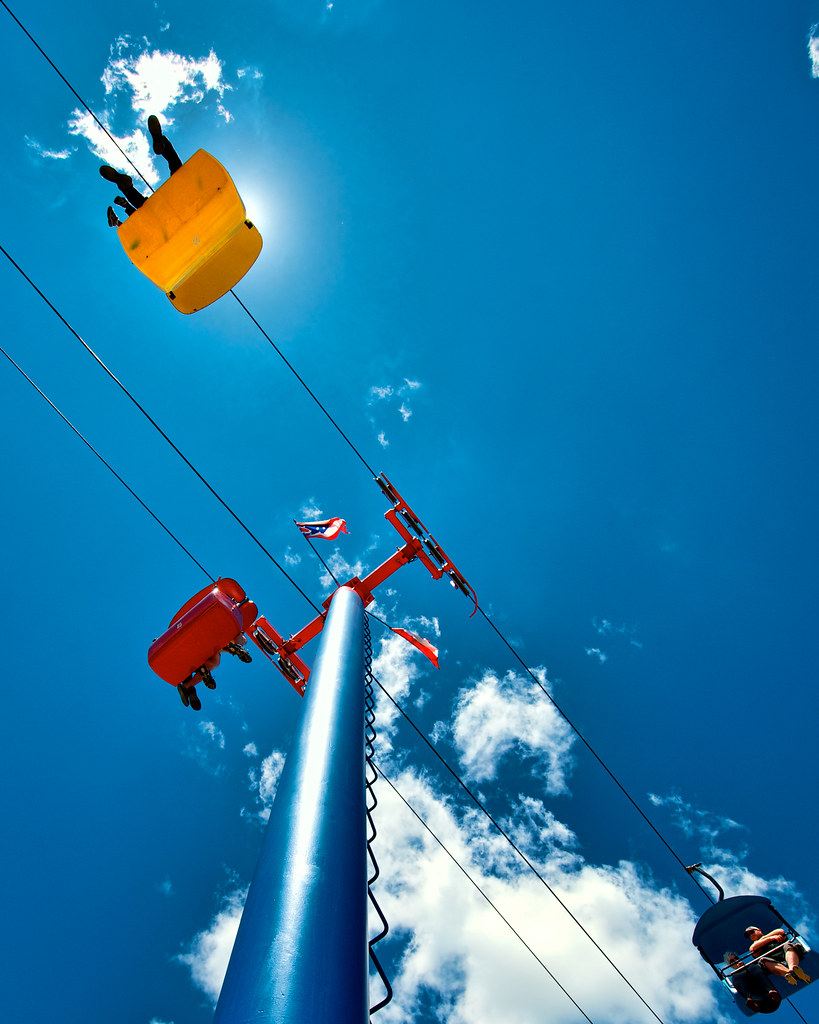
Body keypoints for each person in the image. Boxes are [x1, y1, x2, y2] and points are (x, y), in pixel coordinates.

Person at [101, 114, 183, 227]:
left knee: (146, 208)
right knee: (181, 175)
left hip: (166, 218)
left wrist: (120, 220)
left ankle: (163, 146)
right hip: (174, 215)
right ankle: (126, 187)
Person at [745, 926, 811, 986]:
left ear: (758, 930)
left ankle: (793, 969)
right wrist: (771, 938)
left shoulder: (772, 933)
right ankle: (789, 973)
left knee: (787, 945)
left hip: (784, 952)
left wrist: (764, 938)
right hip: (773, 960)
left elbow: (780, 931)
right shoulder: (755, 945)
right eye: (748, 936)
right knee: (763, 960)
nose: (751, 935)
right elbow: (753, 948)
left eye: (751, 932)